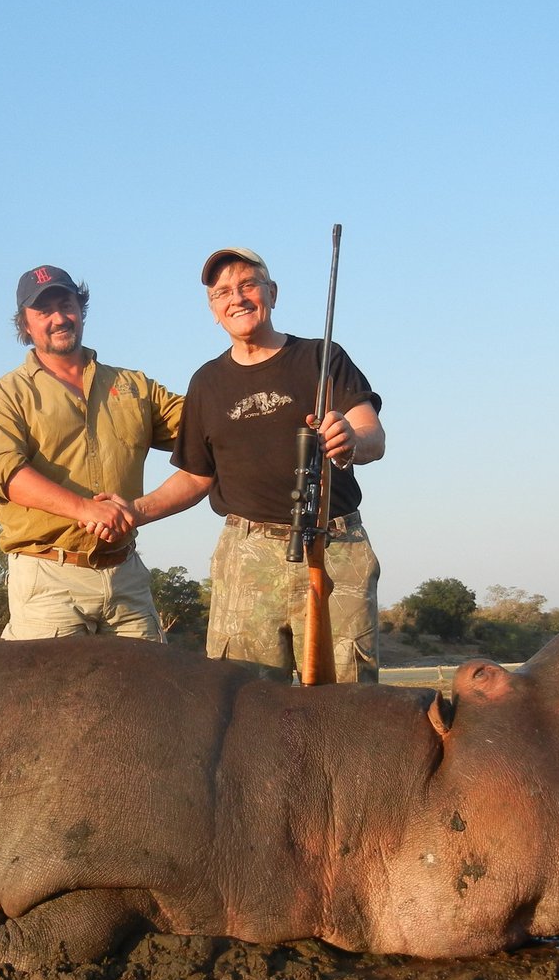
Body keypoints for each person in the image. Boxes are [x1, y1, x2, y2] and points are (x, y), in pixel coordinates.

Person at [125, 246, 386, 681]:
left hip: (335, 545)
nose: (237, 298)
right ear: (213, 311)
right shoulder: (206, 382)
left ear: (272, 293)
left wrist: (349, 440)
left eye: (248, 285)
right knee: (241, 698)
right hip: (246, 556)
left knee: (348, 700)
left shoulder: (323, 357)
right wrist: (133, 512)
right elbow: (196, 476)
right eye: (222, 292)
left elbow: (372, 436)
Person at [0, 264, 185, 641]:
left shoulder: (134, 386)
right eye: (44, 311)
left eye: (66, 305)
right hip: (47, 579)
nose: (59, 318)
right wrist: (86, 509)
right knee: (44, 684)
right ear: (25, 324)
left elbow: (204, 427)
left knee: (149, 680)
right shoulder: (6, 395)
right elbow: (6, 475)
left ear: (80, 309)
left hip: (126, 576)